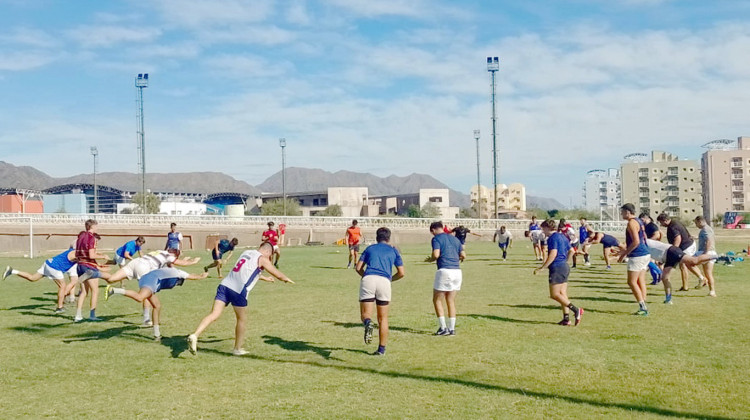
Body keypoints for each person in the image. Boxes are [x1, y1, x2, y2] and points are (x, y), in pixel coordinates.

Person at [187, 242, 294, 356]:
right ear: (267, 251)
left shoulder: (246, 252)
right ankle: (237, 349)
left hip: (225, 285)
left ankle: (195, 335)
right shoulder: (262, 259)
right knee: (241, 319)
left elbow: (247, 271)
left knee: (214, 314)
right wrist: (286, 279)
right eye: (270, 255)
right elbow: (277, 274)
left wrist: (265, 278)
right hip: (238, 290)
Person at [105, 267, 209, 340]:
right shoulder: (180, 273)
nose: (177, 284)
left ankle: (157, 335)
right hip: (152, 280)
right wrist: (203, 275)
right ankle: (114, 290)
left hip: (146, 278)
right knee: (140, 297)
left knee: (157, 306)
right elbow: (194, 277)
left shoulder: (171, 271)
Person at [103, 249, 200, 325]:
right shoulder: (169, 256)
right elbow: (179, 264)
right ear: (174, 255)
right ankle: (146, 319)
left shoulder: (159, 252)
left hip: (135, 262)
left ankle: (94, 272)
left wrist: (184, 259)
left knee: (111, 279)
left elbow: (170, 265)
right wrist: (193, 262)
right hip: (144, 267)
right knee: (146, 293)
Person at [614, 239, 717, 305]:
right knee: (665, 278)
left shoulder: (639, 242)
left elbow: (628, 248)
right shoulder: (636, 245)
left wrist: (622, 253)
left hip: (672, 252)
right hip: (667, 257)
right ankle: (668, 299)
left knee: (694, 261)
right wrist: (620, 253)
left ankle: (718, 256)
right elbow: (628, 250)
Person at [355, 227, 405, 356]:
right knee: (383, 318)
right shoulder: (394, 251)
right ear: (388, 238)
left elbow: (358, 267)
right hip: (384, 282)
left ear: (377, 238)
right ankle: (381, 349)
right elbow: (401, 273)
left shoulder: (370, 248)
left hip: (369, 279)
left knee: (365, 314)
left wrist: (365, 275)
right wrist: (389, 279)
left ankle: (367, 323)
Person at [533, 219, 583, 326]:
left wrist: (543, 267)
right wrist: (566, 262)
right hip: (564, 267)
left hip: (557, 267)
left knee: (554, 294)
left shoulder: (552, 238)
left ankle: (576, 310)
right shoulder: (562, 236)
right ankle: (566, 319)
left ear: (547, 228)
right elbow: (572, 251)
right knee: (562, 294)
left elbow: (553, 253)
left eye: (543, 229)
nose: (543, 232)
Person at [3, 246, 78, 313]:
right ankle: (59, 308)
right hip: (54, 267)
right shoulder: (77, 253)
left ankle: (12, 271)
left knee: (33, 278)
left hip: (48, 263)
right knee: (62, 286)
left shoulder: (75, 251)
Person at [425, 221, 465, 336]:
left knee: (437, 300)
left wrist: (430, 259)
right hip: (457, 271)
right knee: (451, 300)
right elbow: (464, 255)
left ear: (433, 230)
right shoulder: (455, 239)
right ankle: (452, 329)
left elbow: (436, 254)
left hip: (444, 271)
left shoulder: (436, 239)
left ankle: (443, 328)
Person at [71, 219, 111, 322]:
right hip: (88, 266)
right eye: (96, 226)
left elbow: (77, 253)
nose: (97, 228)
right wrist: (103, 256)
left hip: (79, 265)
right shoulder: (92, 238)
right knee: (95, 290)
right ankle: (92, 315)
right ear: (92, 227)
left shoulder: (80, 237)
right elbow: (91, 255)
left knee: (84, 292)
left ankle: (78, 315)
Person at [657, 213, 705, 291]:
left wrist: (673, 251)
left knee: (684, 264)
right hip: (686, 245)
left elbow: (678, 238)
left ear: (665, 220)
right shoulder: (673, 223)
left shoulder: (673, 226)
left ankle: (698, 280)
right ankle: (691, 283)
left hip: (687, 246)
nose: (661, 225)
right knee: (686, 264)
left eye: (661, 222)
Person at [618, 204, 651, 316]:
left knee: (631, 282)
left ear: (627, 212)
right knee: (640, 279)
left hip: (638, 255)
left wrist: (624, 254)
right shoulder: (639, 221)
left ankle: (643, 307)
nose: (621, 214)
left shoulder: (631, 223)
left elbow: (636, 241)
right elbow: (644, 236)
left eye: (622, 212)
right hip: (645, 253)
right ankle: (643, 299)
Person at [694, 216, 718, 297]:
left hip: (707, 252)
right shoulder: (706, 229)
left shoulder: (706, 229)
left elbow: (709, 240)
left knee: (687, 262)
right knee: (707, 273)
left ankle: (703, 279)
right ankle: (711, 290)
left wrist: (706, 252)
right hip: (707, 252)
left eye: (696, 223)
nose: (696, 225)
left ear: (700, 222)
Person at [638, 213, 664, 284]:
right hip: (649, 246)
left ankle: (658, 274)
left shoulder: (652, 226)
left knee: (649, 262)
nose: (641, 221)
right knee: (649, 262)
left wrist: (648, 242)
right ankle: (656, 279)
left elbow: (657, 235)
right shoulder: (645, 226)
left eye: (642, 219)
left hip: (651, 247)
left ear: (646, 218)